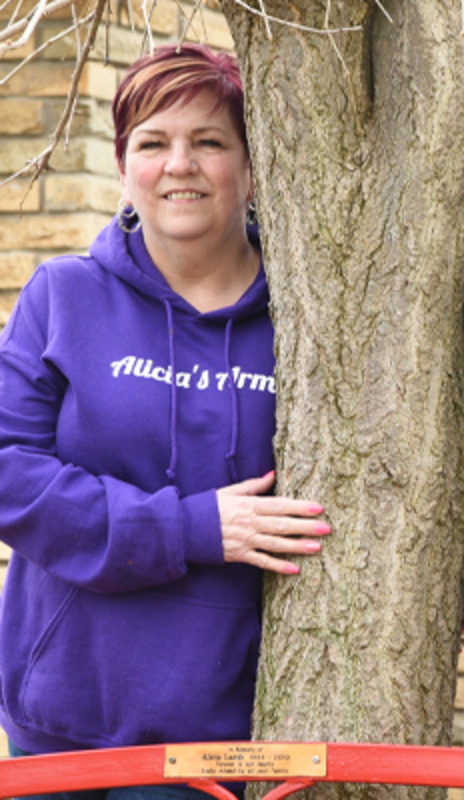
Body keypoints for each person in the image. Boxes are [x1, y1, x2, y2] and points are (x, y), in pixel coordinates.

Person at [0, 43, 330, 798]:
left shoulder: (306, 321)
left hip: (210, 734)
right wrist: (189, 528)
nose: (179, 164)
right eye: (152, 143)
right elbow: (8, 473)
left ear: (252, 168)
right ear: (125, 167)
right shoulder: (63, 297)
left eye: (209, 142)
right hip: (62, 715)